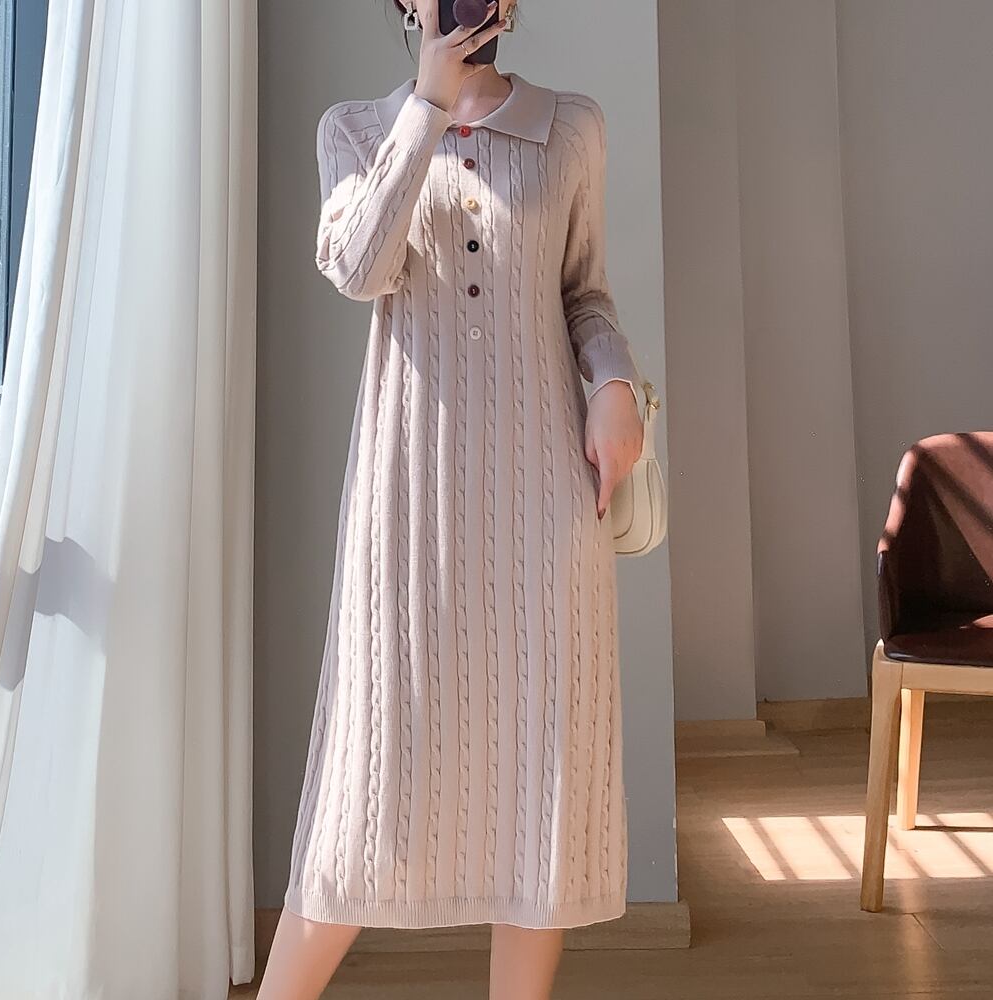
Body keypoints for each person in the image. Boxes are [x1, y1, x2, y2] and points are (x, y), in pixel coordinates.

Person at [257, 2, 645, 997]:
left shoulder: (572, 127)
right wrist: (426, 108)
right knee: (365, 793)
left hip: (543, 502)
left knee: (538, 787)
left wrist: (612, 383)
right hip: (407, 505)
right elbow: (358, 267)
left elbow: (585, 294)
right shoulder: (355, 130)